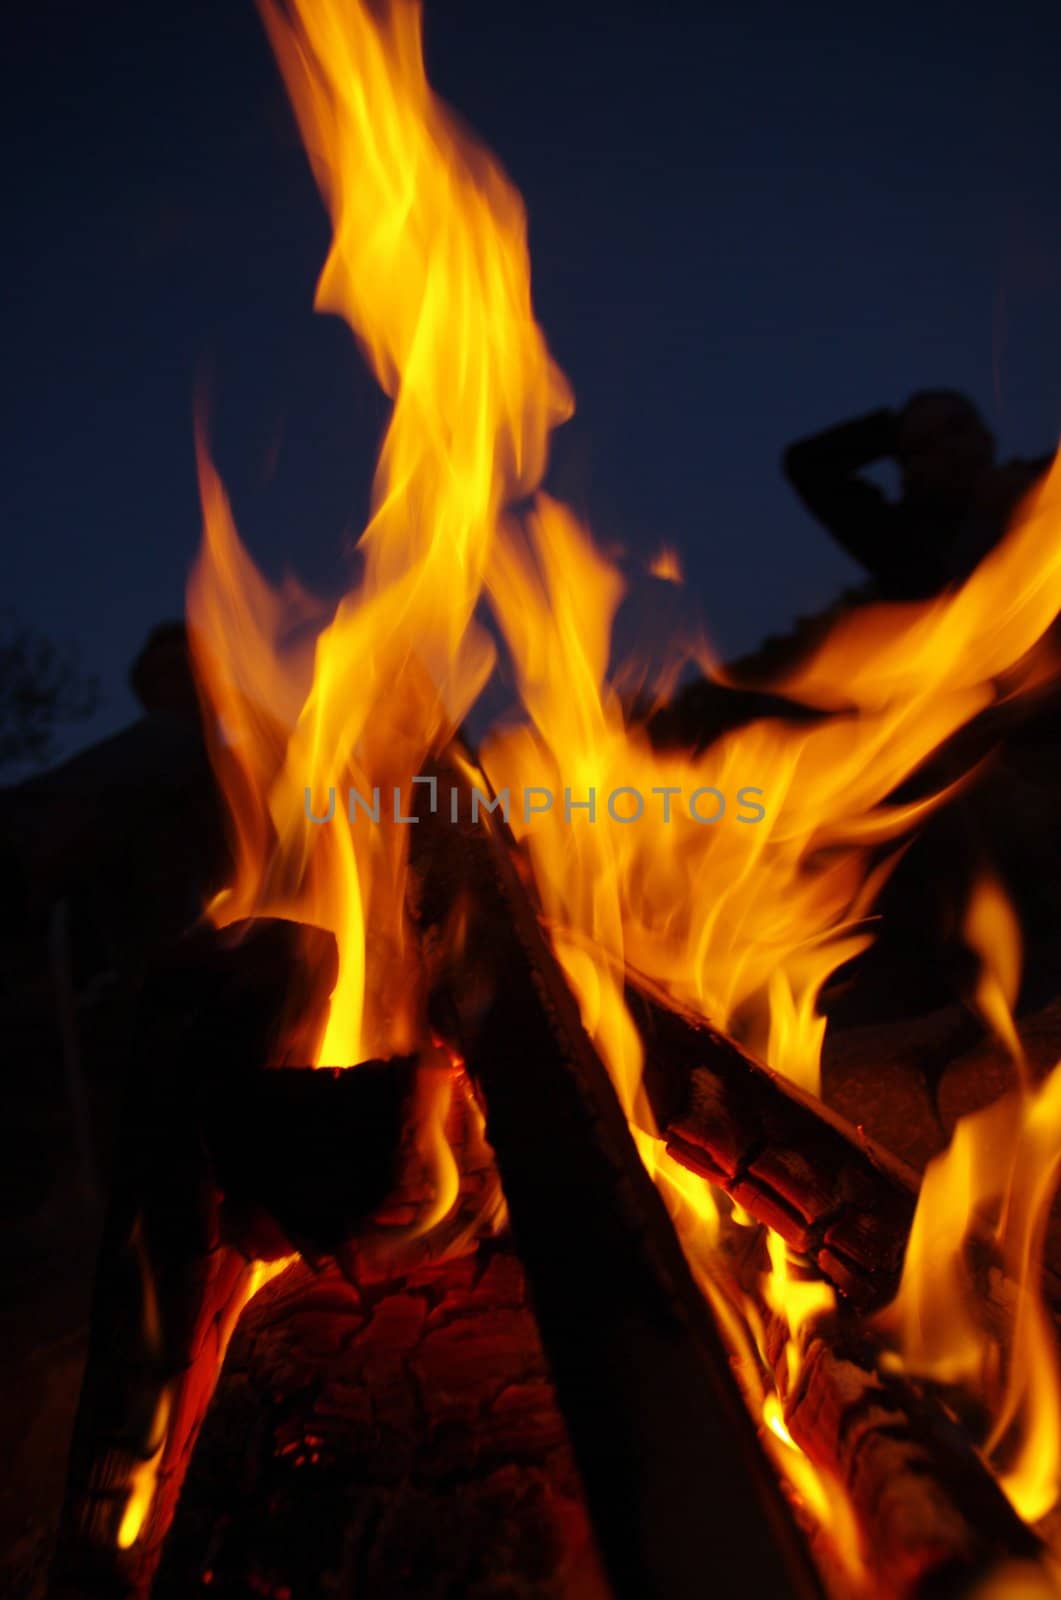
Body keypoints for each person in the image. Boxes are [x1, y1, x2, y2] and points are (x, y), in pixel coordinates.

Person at [782, 390, 1051, 601]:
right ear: (907, 470)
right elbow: (808, 466)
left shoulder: (1045, 480)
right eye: (925, 444)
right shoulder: (901, 546)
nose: (948, 448)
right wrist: (891, 429)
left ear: (986, 434)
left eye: (955, 427)